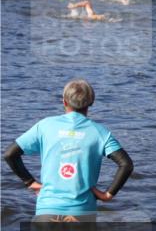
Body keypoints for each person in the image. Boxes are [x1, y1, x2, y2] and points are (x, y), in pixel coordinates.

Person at [3, 79, 134, 221]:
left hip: (47, 210)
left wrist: (30, 182)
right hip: (82, 213)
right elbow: (126, 164)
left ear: (64, 102)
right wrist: (107, 195)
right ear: (91, 102)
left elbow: (10, 154)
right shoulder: (100, 132)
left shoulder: (45, 126)